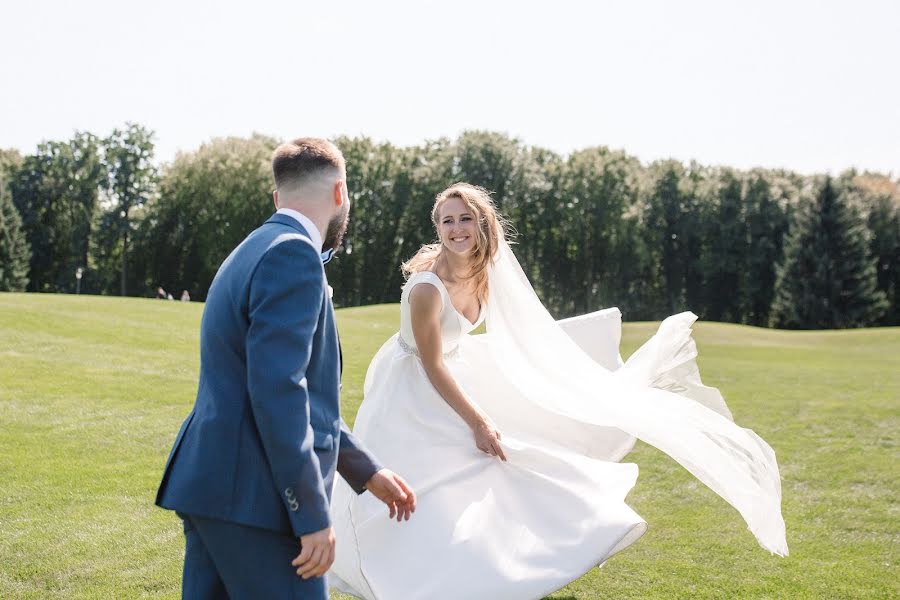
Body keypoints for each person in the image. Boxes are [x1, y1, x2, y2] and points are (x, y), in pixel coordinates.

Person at [329, 183, 787, 600]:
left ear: (481, 224)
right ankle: (403, 574)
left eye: (464, 218)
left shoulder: (486, 277)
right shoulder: (428, 288)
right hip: (412, 392)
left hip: (455, 375)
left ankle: (477, 570)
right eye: (446, 221)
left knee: (490, 470)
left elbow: (519, 333)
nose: (455, 229)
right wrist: (479, 420)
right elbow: (430, 363)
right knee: (427, 478)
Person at [156, 138, 416, 600]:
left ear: (278, 197)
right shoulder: (293, 254)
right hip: (257, 501)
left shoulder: (254, 246)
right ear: (340, 194)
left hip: (214, 489)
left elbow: (297, 394)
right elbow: (279, 391)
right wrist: (311, 516)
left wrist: (366, 470)